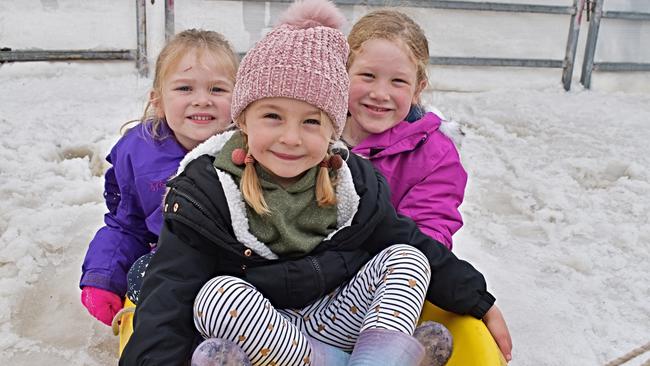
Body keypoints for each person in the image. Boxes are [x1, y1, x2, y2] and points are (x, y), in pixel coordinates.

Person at [120, 1, 512, 365]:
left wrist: (480, 301)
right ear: (242, 119)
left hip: (336, 316)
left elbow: (412, 239)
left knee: (408, 258)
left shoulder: (351, 182)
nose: (291, 137)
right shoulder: (209, 189)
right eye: (272, 116)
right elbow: (170, 290)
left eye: (311, 121)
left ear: (332, 130)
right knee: (215, 296)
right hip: (257, 328)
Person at [79, 29, 239, 326]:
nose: (202, 100)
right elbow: (127, 225)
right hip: (168, 265)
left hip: (238, 270)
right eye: (184, 89)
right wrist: (103, 276)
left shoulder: (251, 149)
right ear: (158, 101)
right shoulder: (138, 155)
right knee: (143, 273)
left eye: (217, 90)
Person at [342, 9, 467, 249]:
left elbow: (429, 233)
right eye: (368, 75)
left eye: (398, 81)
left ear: (418, 88)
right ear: (344, 73)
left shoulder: (435, 156)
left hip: (382, 274)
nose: (379, 94)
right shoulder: (314, 130)